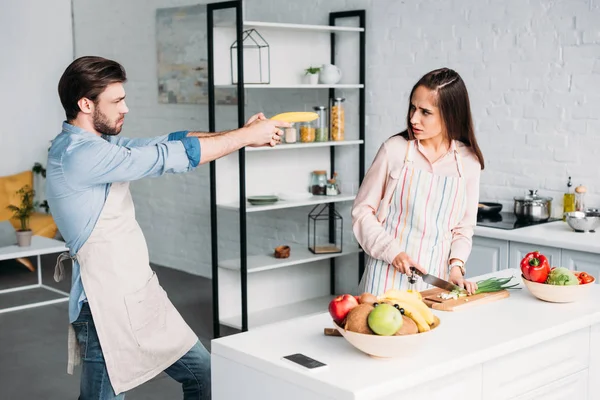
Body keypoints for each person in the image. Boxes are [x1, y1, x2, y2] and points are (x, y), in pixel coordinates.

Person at [47, 56, 289, 400]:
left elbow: (170, 142)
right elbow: (166, 159)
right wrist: (246, 135)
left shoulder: (101, 145)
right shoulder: (78, 154)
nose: (126, 108)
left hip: (140, 294)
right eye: (116, 101)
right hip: (104, 310)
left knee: (206, 376)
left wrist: (242, 137)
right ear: (85, 104)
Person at [352, 67, 485, 296]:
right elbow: (362, 212)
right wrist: (393, 252)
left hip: (437, 282)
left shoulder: (468, 162)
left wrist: (456, 267)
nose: (414, 118)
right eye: (413, 108)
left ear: (450, 114)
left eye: (425, 112)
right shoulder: (394, 150)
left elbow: (463, 228)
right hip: (386, 276)